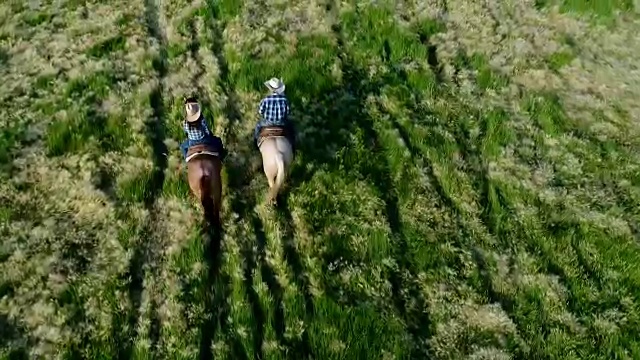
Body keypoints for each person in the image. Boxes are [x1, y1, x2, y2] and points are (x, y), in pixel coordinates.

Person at [253, 77, 296, 152]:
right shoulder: (284, 100)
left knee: (258, 125)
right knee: (291, 127)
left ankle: (255, 142)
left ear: (270, 89)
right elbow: (288, 112)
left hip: (268, 122)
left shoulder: (266, 99)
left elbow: (261, 111)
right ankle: (293, 143)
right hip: (281, 123)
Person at [180, 97, 226, 162]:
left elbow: (186, 131)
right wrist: (210, 135)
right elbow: (206, 131)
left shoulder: (186, 123)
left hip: (192, 143)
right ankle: (221, 157)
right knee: (218, 141)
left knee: (182, 146)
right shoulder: (202, 120)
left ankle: (187, 161)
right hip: (204, 140)